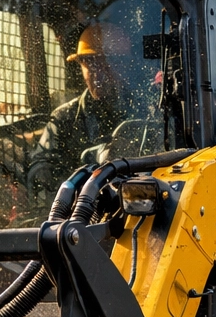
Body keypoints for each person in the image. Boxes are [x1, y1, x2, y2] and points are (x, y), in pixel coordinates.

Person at [26, 22, 135, 194]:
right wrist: (76, 180)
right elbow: (39, 170)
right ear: (81, 65)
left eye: (105, 64)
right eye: (90, 64)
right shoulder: (64, 118)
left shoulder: (144, 110)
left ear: (123, 67)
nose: (98, 74)